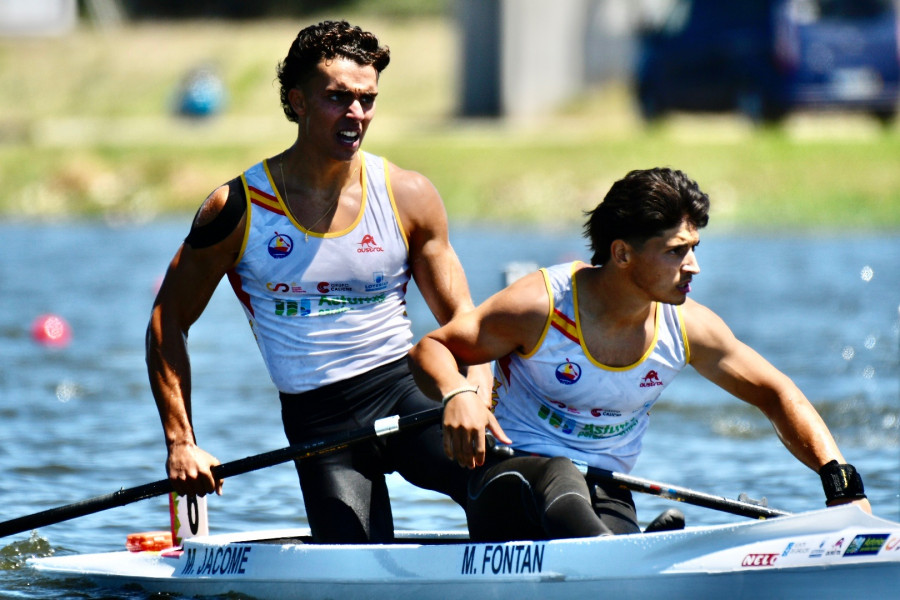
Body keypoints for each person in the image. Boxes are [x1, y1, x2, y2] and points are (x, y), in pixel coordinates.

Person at [146, 20, 491, 544]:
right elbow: (166, 324)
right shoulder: (237, 209)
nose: (356, 114)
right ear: (298, 101)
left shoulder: (408, 195)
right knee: (352, 559)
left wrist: (471, 398)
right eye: (338, 97)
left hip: (403, 391)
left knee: (501, 484)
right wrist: (181, 443)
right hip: (321, 423)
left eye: (367, 100)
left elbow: (469, 324)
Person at [408, 167, 872, 542]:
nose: (694, 266)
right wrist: (457, 393)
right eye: (676, 252)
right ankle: (620, 556)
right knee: (560, 473)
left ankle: (622, 555)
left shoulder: (687, 327)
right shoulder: (539, 307)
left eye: (694, 248)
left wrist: (840, 481)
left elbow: (776, 393)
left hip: (606, 492)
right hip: (507, 484)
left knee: (596, 510)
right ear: (623, 254)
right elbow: (431, 348)